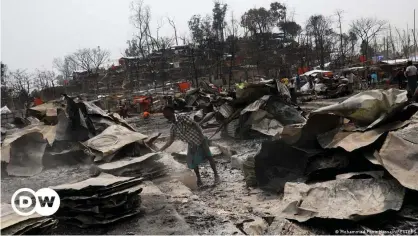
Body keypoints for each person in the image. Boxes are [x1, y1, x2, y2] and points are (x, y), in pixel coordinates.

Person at [159, 106, 220, 187]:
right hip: (191, 144)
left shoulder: (182, 117)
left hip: (199, 139)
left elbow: (195, 125)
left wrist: (202, 137)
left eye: (167, 114)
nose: (166, 116)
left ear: (172, 112)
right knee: (193, 162)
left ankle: (216, 175)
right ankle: (199, 179)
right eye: (165, 116)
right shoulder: (173, 128)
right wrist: (161, 149)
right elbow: (170, 141)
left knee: (209, 157)